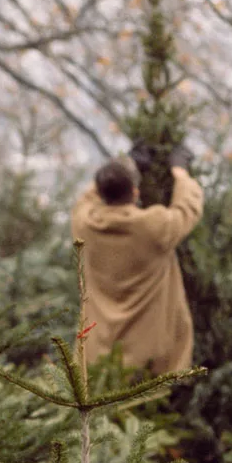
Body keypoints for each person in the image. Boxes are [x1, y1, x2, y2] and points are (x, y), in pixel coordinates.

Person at [71, 152, 204, 376]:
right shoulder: (153, 227)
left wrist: (120, 166)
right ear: (135, 192)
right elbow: (187, 208)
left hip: (96, 352)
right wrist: (180, 174)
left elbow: (85, 199)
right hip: (149, 358)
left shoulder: (84, 224)